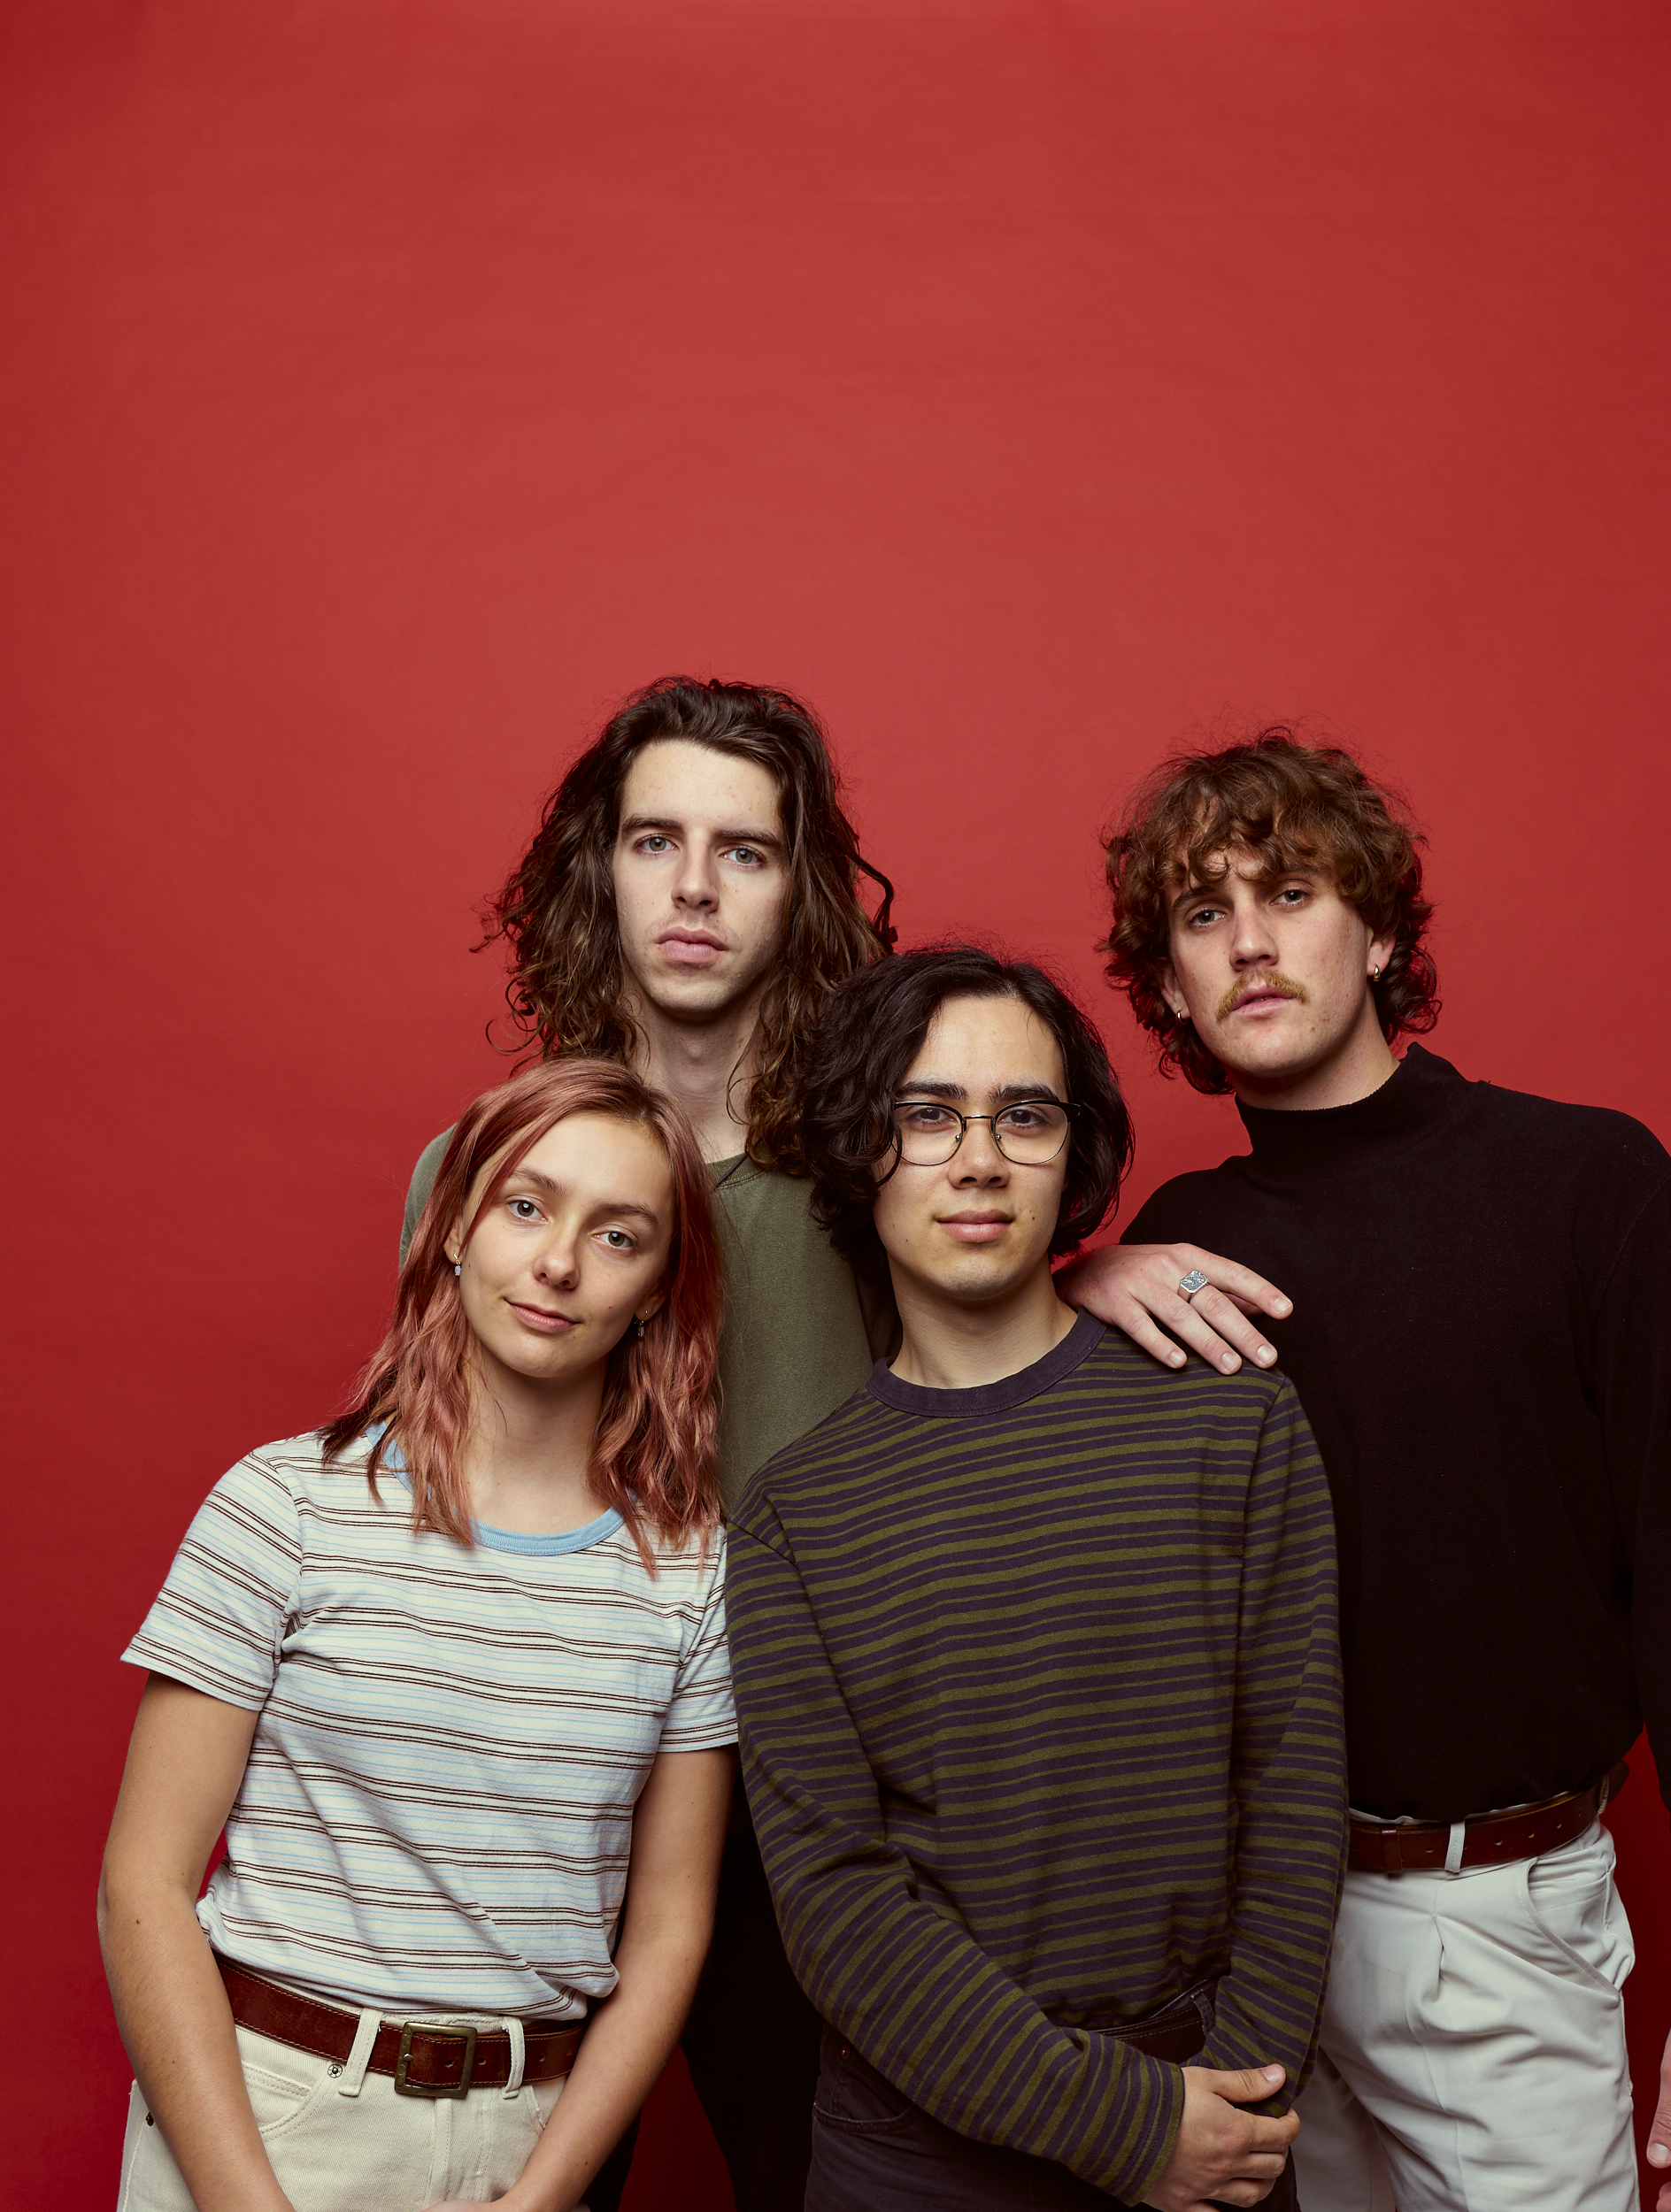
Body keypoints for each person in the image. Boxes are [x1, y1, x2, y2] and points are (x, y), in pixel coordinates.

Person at [399, 675, 1306, 2211]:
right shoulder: (494, 1176)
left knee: (810, 2159)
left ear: (800, 886)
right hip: (553, 1782)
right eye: (655, 842)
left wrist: (1080, 1267)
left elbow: (971, 1305)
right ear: (596, 872)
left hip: (806, 1807)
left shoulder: (865, 1167)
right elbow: (438, 1465)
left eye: (744, 852)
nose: (695, 890)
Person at [1101, 732, 1671, 2212]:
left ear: (1376, 932)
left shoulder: (1587, 1185)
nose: (1250, 943)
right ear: (1168, 985)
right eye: (1204, 915)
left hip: (1496, 1919)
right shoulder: (1175, 1244)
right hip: (1253, 1941)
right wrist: (1073, 1283)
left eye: (1290, 893)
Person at [723, 945, 1347, 2212]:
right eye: (927, 1115)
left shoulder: (1232, 1424)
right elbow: (838, 1900)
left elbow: (1293, 1790)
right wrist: (1119, 2128)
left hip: (1214, 2110)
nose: (979, 1159)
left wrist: (1227, 2102)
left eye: (1024, 1115)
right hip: (916, 2156)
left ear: (1076, 1154)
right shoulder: (795, 1514)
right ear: (859, 1148)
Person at [101, 1058, 735, 2212]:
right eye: (526, 1206)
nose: (558, 1262)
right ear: (452, 1229)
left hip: (527, 2140)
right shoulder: (282, 1506)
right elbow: (141, 1885)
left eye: (618, 1236)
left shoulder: (690, 1574)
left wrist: (544, 2196)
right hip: (269, 2118)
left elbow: (668, 1935)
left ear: (657, 1289)